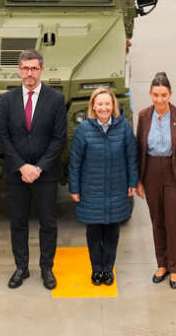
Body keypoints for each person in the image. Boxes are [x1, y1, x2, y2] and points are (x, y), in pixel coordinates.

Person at [0, 49, 67, 291]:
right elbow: (4, 138)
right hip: (17, 174)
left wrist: (38, 167)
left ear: (41, 70)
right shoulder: (7, 100)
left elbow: (59, 139)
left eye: (34, 68)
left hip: (45, 174)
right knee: (18, 222)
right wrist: (22, 166)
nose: (30, 73)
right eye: (26, 68)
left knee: (48, 223)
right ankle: (21, 267)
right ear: (19, 70)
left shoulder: (56, 99)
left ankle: (47, 268)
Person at [68, 88, 138, 286]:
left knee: (112, 233)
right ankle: (96, 269)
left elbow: (131, 156)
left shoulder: (123, 127)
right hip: (91, 191)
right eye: (99, 104)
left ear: (113, 106)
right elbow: (75, 162)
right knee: (94, 233)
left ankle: (108, 269)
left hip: (117, 188)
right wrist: (74, 188)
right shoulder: (83, 130)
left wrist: (132, 182)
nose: (104, 108)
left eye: (107, 104)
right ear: (93, 107)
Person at [135, 72, 176, 289]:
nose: (159, 99)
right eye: (155, 95)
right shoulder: (143, 116)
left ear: (170, 94)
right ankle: (161, 264)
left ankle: (175, 267)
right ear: (150, 94)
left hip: (174, 173)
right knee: (157, 220)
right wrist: (138, 180)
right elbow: (139, 149)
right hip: (151, 171)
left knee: (173, 221)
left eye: (163, 95)